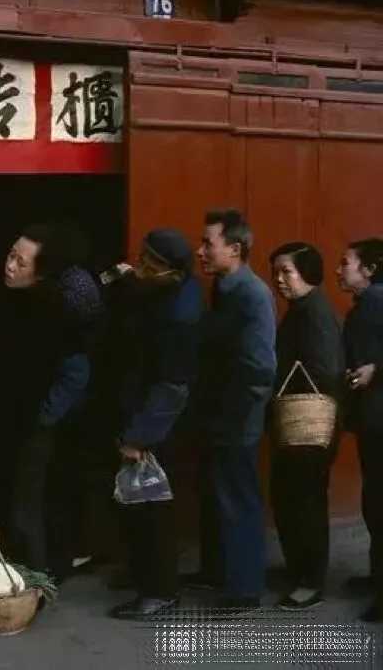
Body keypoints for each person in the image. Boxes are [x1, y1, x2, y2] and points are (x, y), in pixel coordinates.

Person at [107, 229, 203, 620]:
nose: (142, 267)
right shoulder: (169, 290)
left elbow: (172, 384)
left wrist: (139, 437)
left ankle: (159, 591)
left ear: (171, 273)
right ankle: (142, 574)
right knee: (137, 504)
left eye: (150, 264)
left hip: (158, 426)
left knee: (152, 507)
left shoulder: (180, 316)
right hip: (141, 411)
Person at [0, 223, 104, 584]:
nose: (10, 266)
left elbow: (74, 371)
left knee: (29, 499)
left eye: (21, 262)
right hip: (40, 416)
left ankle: (33, 580)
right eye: (10, 255)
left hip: (43, 418)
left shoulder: (51, 311)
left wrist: (44, 416)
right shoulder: (26, 301)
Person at [184, 208, 276, 611]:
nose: (200, 251)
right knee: (217, 495)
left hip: (236, 417)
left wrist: (235, 412)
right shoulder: (224, 288)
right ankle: (218, 572)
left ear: (235, 249)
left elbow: (259, 367)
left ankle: (245, 589)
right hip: (218, 412)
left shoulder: (250, 294)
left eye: (209, 243)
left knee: (237, 498)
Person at [267, 242, 343, 611]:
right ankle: (300, 570)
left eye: (287, 271)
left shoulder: (314, 312)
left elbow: (325, 369)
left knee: (305, 501)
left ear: (308, 272)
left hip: (310, 422)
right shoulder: (302, 309)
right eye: (276, 272)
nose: (279, 279)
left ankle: (311, 581)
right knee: (291, 497)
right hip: (296, 422)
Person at [336, 237, 383, 621]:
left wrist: (375, 369)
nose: (339, 270)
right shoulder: (368, 303)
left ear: (369, 269)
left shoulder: (377, 301)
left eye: (346, 263)